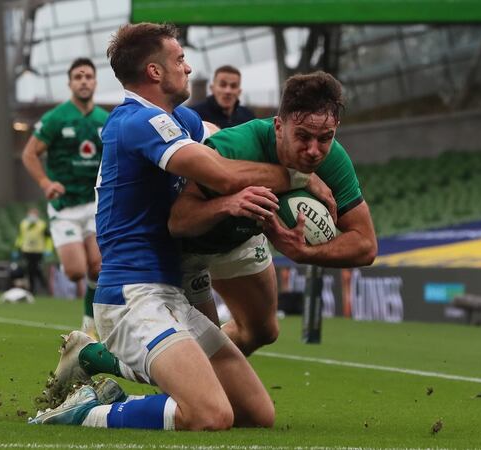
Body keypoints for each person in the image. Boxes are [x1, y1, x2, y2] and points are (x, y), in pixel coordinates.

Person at [30, 22, 327, 431]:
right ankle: (84, 412)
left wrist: (301, 145)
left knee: (256, 414)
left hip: (171, 293)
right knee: (210, 415)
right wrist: (299, 176)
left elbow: (227, 142)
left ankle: (97, 362)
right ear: (155, 72)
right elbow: (223, 173)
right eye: (180, 60)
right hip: (133, 296)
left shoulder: (177, 119)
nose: (187, 69)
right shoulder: (136, 121)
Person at [172, 71, 377, 356]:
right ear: (279, 126)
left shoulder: (333, 159)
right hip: (187, 248)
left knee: (262, 331)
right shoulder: (236, 146)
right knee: (201, 353)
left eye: (325, 138)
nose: (314, 151)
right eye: (303, 136)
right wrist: (227, 204)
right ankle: (107, 361)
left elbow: (366, 246)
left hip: (242, 237)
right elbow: (177, 219)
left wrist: (304, 253)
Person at [21, 57, 107, 337]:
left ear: (95, 81)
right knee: (75, 272)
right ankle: (70, 251)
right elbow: (29, 153)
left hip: (94, 204)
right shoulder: (56, 118)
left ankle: (89, 324)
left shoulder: (104, 120)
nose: (83, 81)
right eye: (78, 77)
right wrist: (45, 182)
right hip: (65, 206)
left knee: (98, 267)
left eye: (88, 76)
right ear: (70, 83)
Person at [189, 65, 255, 129]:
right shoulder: (194, 116)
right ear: (212, 88)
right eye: (222, 85)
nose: (228, 91)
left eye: (233, 86)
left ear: (239, 91)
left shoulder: (249, 118)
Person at [13, 207, 50, 295]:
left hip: (38, 251)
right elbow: (20, 237)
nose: (32, 216)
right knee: (30, 270)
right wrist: (16, 248)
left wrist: (48, 249)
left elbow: (48, 238)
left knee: (37, 269)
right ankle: (33, 290)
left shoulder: (42, 224)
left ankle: (44, 287)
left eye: (34, 214)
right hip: (27, 250)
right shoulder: (23, 224)